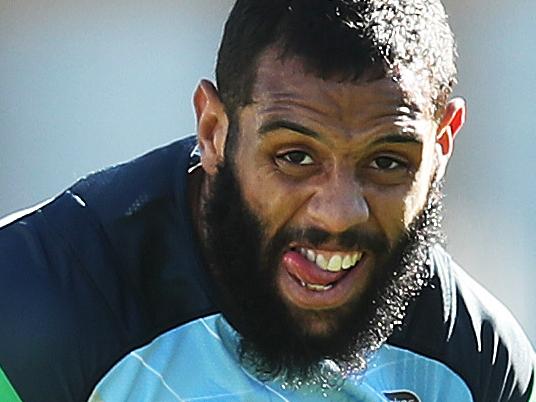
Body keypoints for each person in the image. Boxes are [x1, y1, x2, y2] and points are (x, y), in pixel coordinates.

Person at [0, 0, 534, 401]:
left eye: (388, 162)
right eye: (295, 157)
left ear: (442, 146)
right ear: (213, 131)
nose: (339, 212)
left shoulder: (480, 362)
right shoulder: (33, 303)